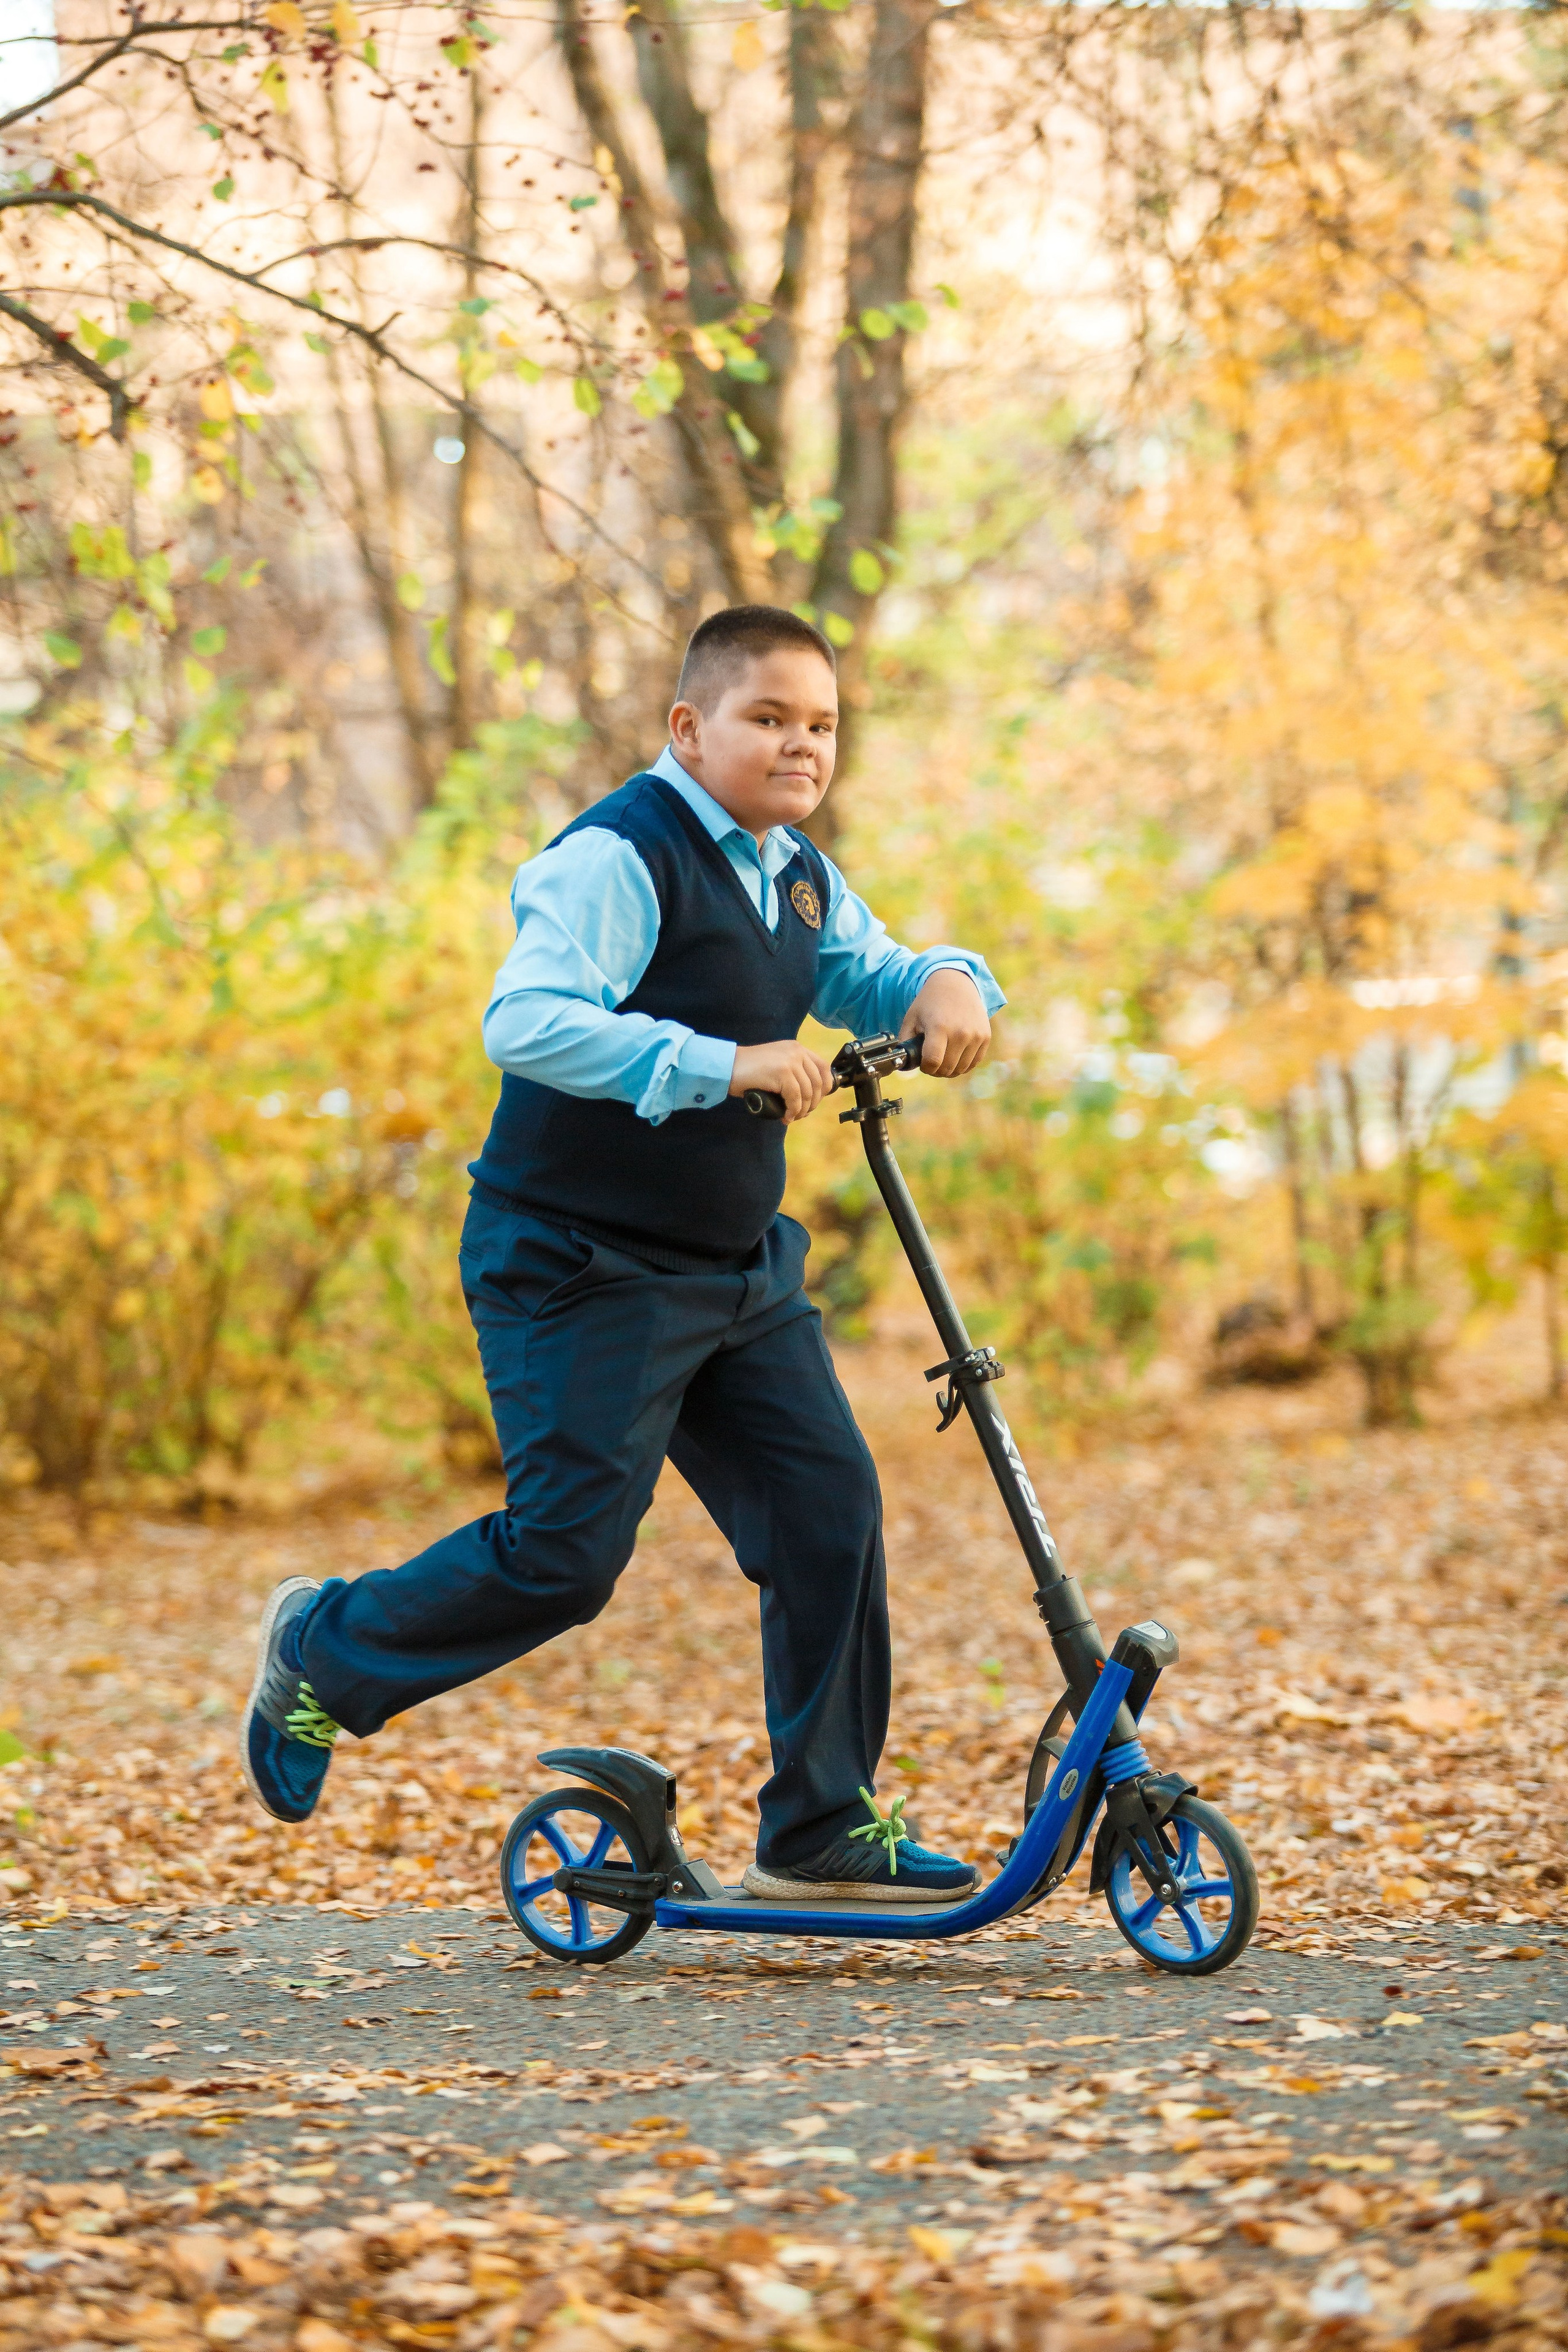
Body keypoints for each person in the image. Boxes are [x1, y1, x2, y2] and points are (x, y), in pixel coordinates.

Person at [240, 605, 1004, 1901]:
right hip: (579, 1262)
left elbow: (870, 972)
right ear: (689, 728)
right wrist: (717, 1064)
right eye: (768, 719)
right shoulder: (618, 856)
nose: (800, 746)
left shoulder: (791, 868)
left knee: (829, 1511)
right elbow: (526, 1022)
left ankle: (817, 1828)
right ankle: (327, 1649)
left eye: (819, 724)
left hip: (733, 1268)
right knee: (567, 1556)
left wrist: (947, 979)